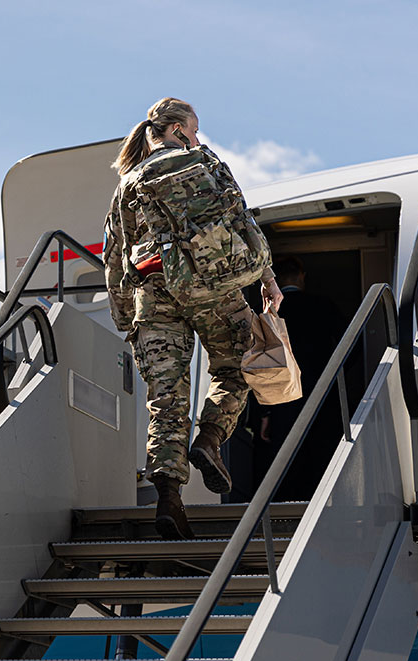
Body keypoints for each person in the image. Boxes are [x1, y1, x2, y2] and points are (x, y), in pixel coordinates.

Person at [103, 97, 282, 540]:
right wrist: (267, 279)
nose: (198, 137)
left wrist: (126, 317)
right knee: (241, 365)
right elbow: (242, 220)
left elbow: (114, 257)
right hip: (213, 289)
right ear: (178, 129)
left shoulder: (129, 184)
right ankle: (210, 440)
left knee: (166, 398)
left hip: (155, 295)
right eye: (194, 128)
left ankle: (168, 496)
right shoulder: (205, 162)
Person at [253, 256, 345, 501]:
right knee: (321, 453)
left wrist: (263, 412)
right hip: (323, 392)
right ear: (301, 276)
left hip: (282, 397)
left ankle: (285, 509)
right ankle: (321, 503)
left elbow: (261, 361)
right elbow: (351, 349)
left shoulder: (269, 312)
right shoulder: (325, 306)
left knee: (286, 458)